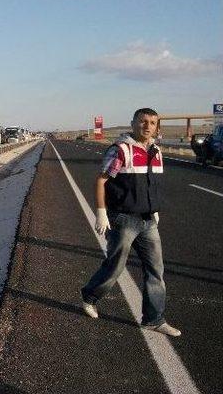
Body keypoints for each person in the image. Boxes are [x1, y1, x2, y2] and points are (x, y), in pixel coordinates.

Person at [81, 108, 181, 337]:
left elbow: (151, 184)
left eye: (153, 122)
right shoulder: (121, 150)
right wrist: (101, 212)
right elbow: (101, 180)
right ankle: (90, 296)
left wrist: (153, 209)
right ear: (133, 123)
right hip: (124, 219)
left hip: (148, 220)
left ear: (157, 127)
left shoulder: (156, 152)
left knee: (156, 270)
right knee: (115, 266)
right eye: (143, 121)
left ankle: (154, 319)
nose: (148, 126)